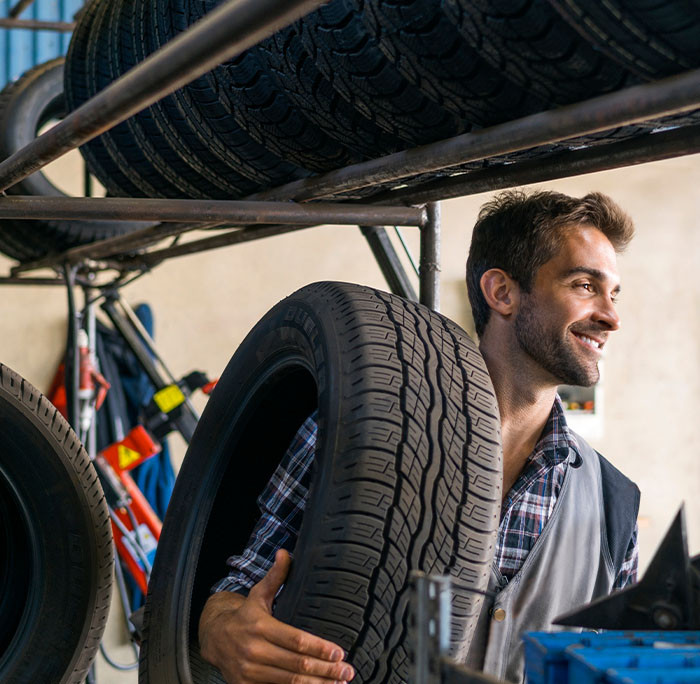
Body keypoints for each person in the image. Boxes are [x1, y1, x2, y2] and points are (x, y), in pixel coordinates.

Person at [198, 189, 640, 683]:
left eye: (614, 294)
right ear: (502, 293)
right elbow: (239, 590)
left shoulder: (614, 505)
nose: (611, 316)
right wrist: (225, 630)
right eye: (584, 285)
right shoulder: (362, 433)